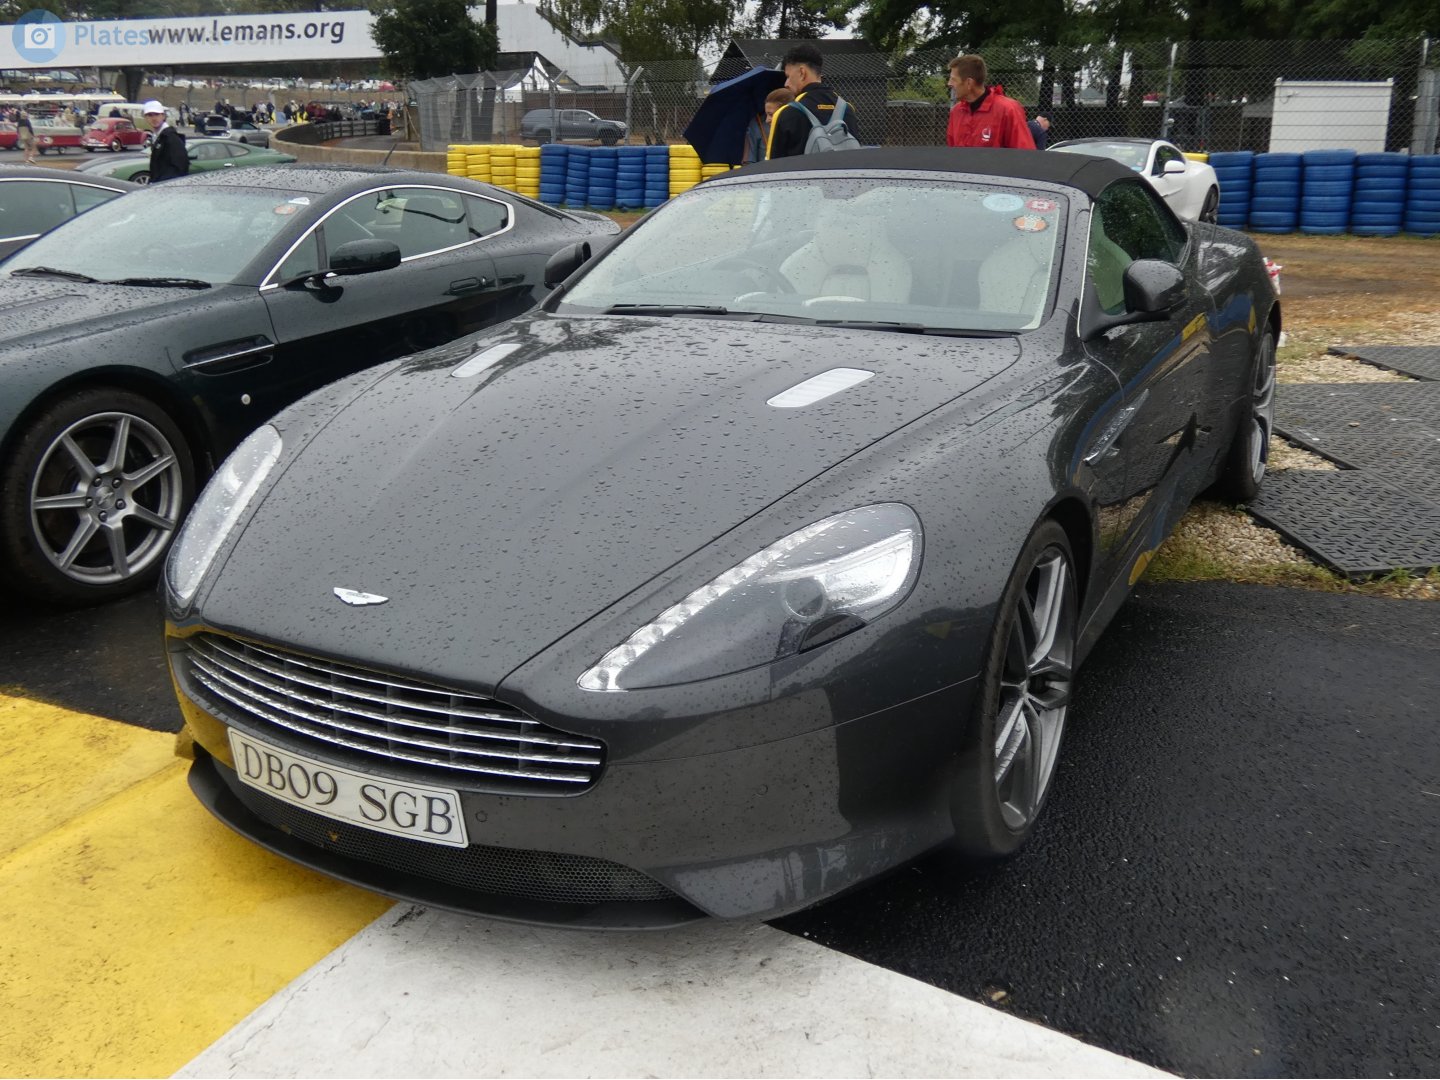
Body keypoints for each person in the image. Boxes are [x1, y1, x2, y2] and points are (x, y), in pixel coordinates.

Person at [766, 43, 861, 159]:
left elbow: (772, 169)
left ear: (802, 73)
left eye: (788, 76)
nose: (786, 84)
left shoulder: (786, 113)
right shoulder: (847, 109)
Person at [945, 55, 1035, 149]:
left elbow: (1025, 155)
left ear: (969, 83)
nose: (949, 83)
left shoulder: (1008, 109)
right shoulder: (956, 112)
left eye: (953, 79)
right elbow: (953, 154)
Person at [743, 87, 793, 165]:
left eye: (771, 114)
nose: (767, 120)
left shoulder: (801, 128)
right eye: (767, 114)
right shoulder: (757, 124)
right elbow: (748, 162)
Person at [144, 100, 188, 183]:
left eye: (157, 114)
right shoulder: (157, 136)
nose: (153, 118)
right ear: (146, 118)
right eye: (150, 115)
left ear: (163, 116)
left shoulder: (170, 137)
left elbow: (180, 164)